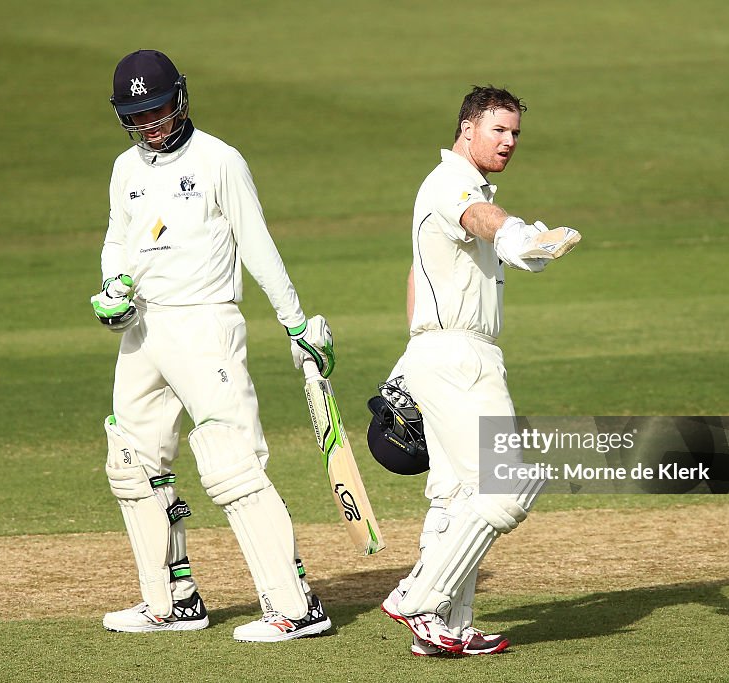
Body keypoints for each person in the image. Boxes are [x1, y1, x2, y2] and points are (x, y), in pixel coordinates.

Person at [90, 49, 333, 642]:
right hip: (143, 328)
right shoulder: (126, 169)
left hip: (205, 324)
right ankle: (172, 601)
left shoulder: (220, 160)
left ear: (182, 97)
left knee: (232, 462)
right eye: (138, 115)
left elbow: (258, 245)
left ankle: (296, 605)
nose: (152, 124)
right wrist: (112, 283)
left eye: (160, 109)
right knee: (132, 461)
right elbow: (117, 237)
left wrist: (295, 323)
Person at [379, 85, 581, 656]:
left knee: (455, 497)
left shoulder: (443, 190)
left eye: (515, 132)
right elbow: (484, 217)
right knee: (509, 483)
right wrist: (518, 234)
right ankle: (417, 594)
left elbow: (421, 275)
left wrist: (408, 362)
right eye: (498, 129)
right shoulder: (452, 182)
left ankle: (448, 626)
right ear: (468, 128)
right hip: (460, 358)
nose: (509, 141)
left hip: (436, 354)